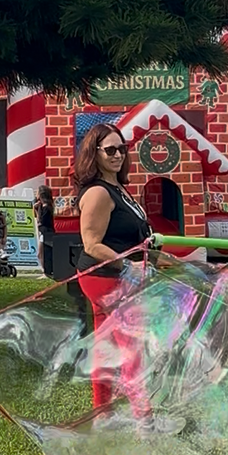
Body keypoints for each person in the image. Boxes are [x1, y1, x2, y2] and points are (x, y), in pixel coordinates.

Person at [75, 125, 152, 408]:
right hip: (106, 276)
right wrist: (128, 266)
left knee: (107, 347)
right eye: (110, 150)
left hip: (114, 274)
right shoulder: (98, 193)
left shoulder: (118, 188)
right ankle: (145, 418)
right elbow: (92, 244)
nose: (118, 155)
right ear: (93, 154)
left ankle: (102, 411)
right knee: (132, 347)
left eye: (122, 148)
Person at [33, 183, 57, 278]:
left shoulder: (46, 207)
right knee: (41, 253)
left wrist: (38, 211)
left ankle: (46, 272)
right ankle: (45, 270)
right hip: (43, 231)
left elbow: (41, 220)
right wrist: (36, 209)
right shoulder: (43, 206)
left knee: (41, 253)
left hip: (46, 232)